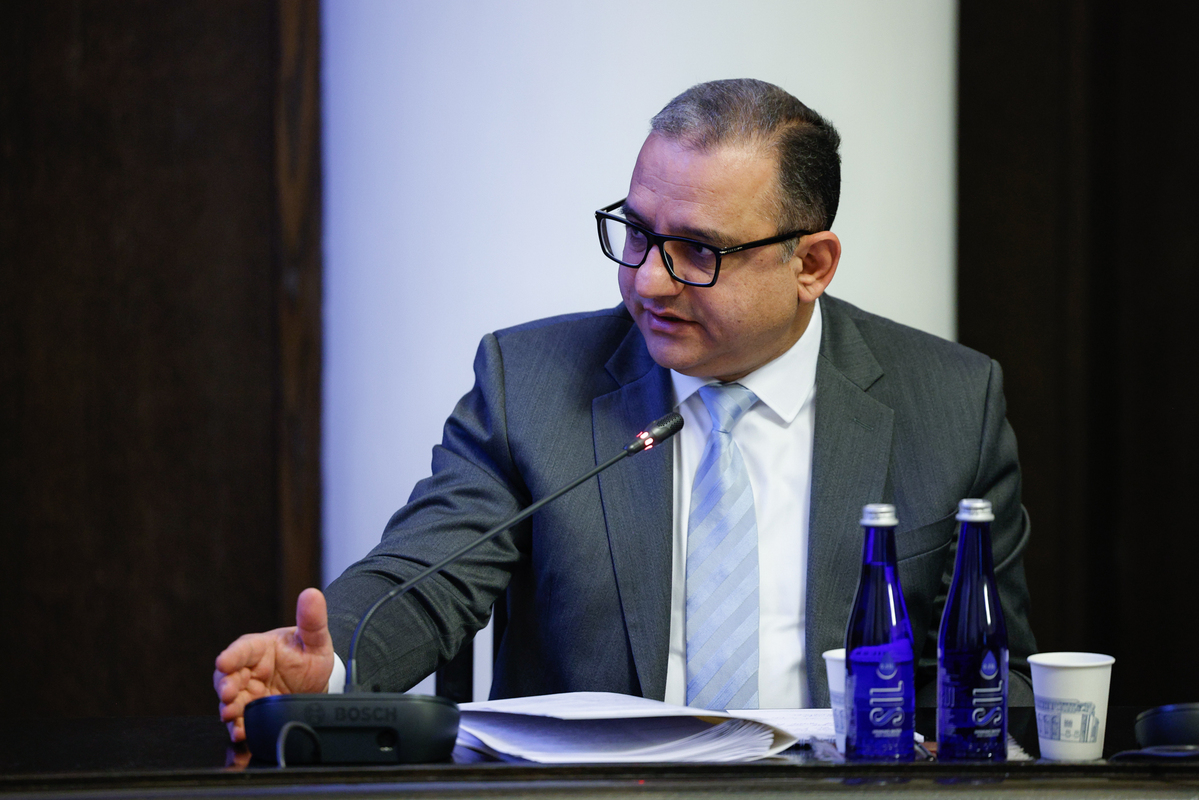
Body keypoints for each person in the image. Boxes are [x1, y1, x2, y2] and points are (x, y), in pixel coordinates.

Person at [215, 79, 1036, 742]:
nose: (647, 280)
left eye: (697, 251)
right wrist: (329, 666)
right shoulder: (531, 384)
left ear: (810, 264)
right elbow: (428, 573)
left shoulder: (949, 404)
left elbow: (998, 670)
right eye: (636, 233)